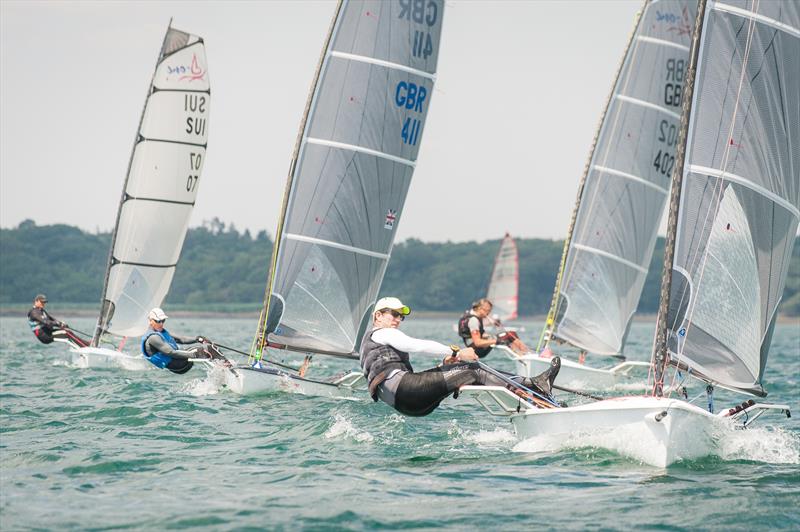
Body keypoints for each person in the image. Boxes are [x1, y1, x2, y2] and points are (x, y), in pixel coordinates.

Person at [360, 297, 560, 417]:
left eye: (400, 316)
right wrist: (456, 352)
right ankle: (533, 387)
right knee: (474, 370)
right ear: (378, 316)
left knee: (463, 371)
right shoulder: (381, 333)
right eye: (393, 314)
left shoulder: (372, 341)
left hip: (404, 403)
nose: (397, 320)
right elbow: (414, 345)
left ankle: (535, 399)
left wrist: (444, 364)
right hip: (406, 393)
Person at [140, 308, 214, 374]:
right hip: (178, 365)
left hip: (179, 361)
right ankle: (222, 368)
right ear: (150, 321)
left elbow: (182, 339)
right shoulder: (153, 337)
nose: (161, 324)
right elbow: (171, 352)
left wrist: (197, 339)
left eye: (163, 320)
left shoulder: (161, 332)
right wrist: (194, 355)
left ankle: (221, 367)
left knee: (208, 348)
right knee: (202, 350)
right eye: (158, 321)